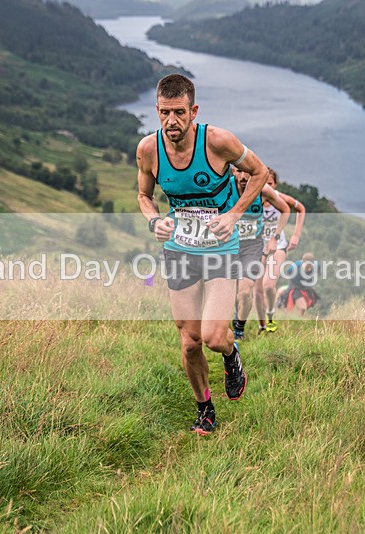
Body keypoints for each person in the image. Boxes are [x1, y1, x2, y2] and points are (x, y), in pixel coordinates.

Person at [136, 73, 271, 436]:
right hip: (179, 249)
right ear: (157, 110)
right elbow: (144, 197)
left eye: (179, 112)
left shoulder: (218, 142)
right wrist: (154, 222)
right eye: (164, 113)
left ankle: (231, 356)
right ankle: (205, 408)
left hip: (220, 249)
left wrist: (233, 214)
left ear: (193, 110)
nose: (171, 121)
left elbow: (258, 172)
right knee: (190, 340)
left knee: (213, 336)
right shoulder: (148, 149)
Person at [231, 167, 289, 340]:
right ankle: (236, 315)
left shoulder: (262, 190)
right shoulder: (225, 188)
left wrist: (275, 237)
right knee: (232, 289)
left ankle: (239, 327)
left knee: (245, 289)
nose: (243, 177)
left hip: (253, 246)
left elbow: (285, 209)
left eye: (247, 172)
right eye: (239, 172)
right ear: (233, 171)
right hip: (229, 244)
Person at [254, 168, 306, 333]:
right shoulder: (254, 198)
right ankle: (263, 325)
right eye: (264, 183)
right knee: (257, 290)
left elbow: (301, 209)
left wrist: (296, 235)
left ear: (275, 184)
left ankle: (270, 314)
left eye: (270, 183)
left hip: (278, 245)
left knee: (269, 286)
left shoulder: (281, 198)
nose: (267, 187)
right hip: (256, 246)